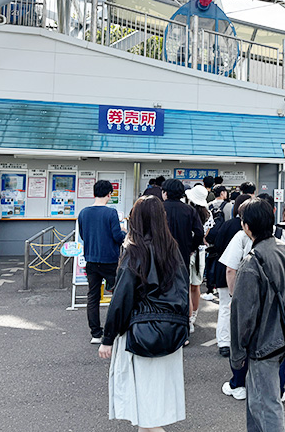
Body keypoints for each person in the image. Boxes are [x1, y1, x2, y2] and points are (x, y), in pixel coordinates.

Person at [98, 195, 189, 432]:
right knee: (152, 412)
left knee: (146, 416)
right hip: (171, 333)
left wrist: (108, 338)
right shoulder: (172, 249)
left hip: (140, 334)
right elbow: (183, 291)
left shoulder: (134, 251)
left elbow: (121, 298)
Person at [230, 198, 285, 432]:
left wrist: (237, 353)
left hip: (262, 343)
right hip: (283, 335)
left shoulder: (252, 262)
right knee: (257, 401)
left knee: (266, 404)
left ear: (247, 226)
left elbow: (243, 314)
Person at [78, 180, 127, 344]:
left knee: (93, 296)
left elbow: (83, 235)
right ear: (109, 194)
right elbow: (117, 237)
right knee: (117, 294)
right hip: (109, 260)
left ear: (94, 193)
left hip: (91, 259)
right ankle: (113, 330)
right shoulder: (111, 213)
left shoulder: (83, 213)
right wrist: (124, 232)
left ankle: (95, 333)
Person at [210, 194, 252, 359]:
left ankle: (224, 343)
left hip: (225, 270)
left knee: (225, 308)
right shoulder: (252, 227)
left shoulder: (227, 224)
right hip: (245, 273)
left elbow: (217, 244)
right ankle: (242, 342)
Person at [186, 184, 213, 334]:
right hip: (200, 252)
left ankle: (188, 318)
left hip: (188, 251)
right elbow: (204, 235)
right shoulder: (208, 214)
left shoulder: (187, 211)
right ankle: (194, 316)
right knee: (195, 286)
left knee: (186, 286)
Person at [162, 179, 204, 273]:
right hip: (183, 252)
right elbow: (199, 232)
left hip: (161, 252)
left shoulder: (158, 208)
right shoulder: (190, 210)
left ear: (165, 193)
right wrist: (191, 248)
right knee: (182, 278)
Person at [202, 184, 229, 301]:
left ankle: (209, 288)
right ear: (222, 193)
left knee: (210, 263)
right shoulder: (229, 206)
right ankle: (220, 286)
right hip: (224, 240)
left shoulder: (208, 206)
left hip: (211, 239)